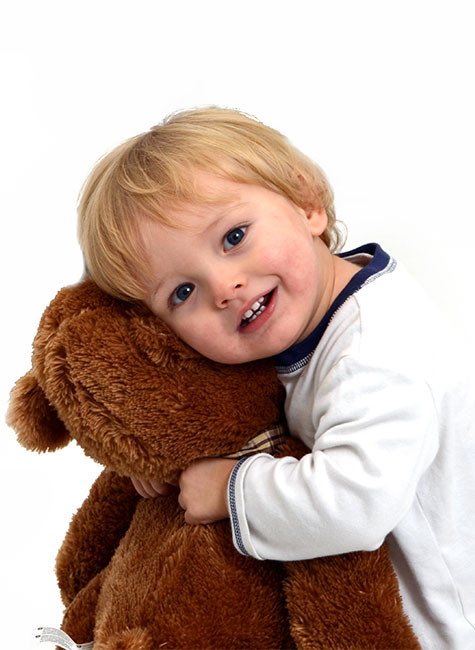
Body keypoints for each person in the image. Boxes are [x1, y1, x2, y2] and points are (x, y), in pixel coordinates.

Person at [78, 107, 475, 649]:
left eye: (234, 236)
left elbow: (356, 504)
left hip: (442, 631)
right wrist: (164, 463)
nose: (224, 286)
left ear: (306, 204)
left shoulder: (379, 350)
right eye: (183, 293)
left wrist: (229, 489)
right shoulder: (297, 328)